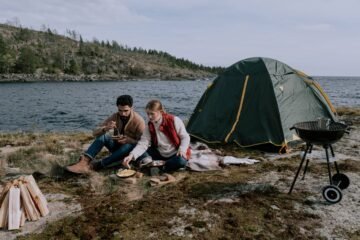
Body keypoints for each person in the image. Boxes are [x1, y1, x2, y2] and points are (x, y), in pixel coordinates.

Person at [66, 95, 145, 174]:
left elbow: (144, 144)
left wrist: (130, 140)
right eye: (120, 110)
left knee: (128, 145)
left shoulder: (139, 121)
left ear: (132, 108)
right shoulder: (115, 116)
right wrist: (106, 128)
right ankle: (83, 162)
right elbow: (94, 133)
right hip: (116, 148)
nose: (122, 113)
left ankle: (97, 165)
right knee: (103, 136)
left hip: (129, 154)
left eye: (125, 111)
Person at [123, 99, 191, 172]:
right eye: (148, 113)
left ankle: (156, 166)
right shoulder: (149, 125)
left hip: (175, 153)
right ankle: (160, 166)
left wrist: (182, 149)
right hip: (160, 153)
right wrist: (131, 155)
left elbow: (185, 137)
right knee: (136, 149)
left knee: (181, 161)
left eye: (152, 114)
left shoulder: (174, 120)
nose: (149, 117)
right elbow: (143, 143)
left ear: (160, 112)